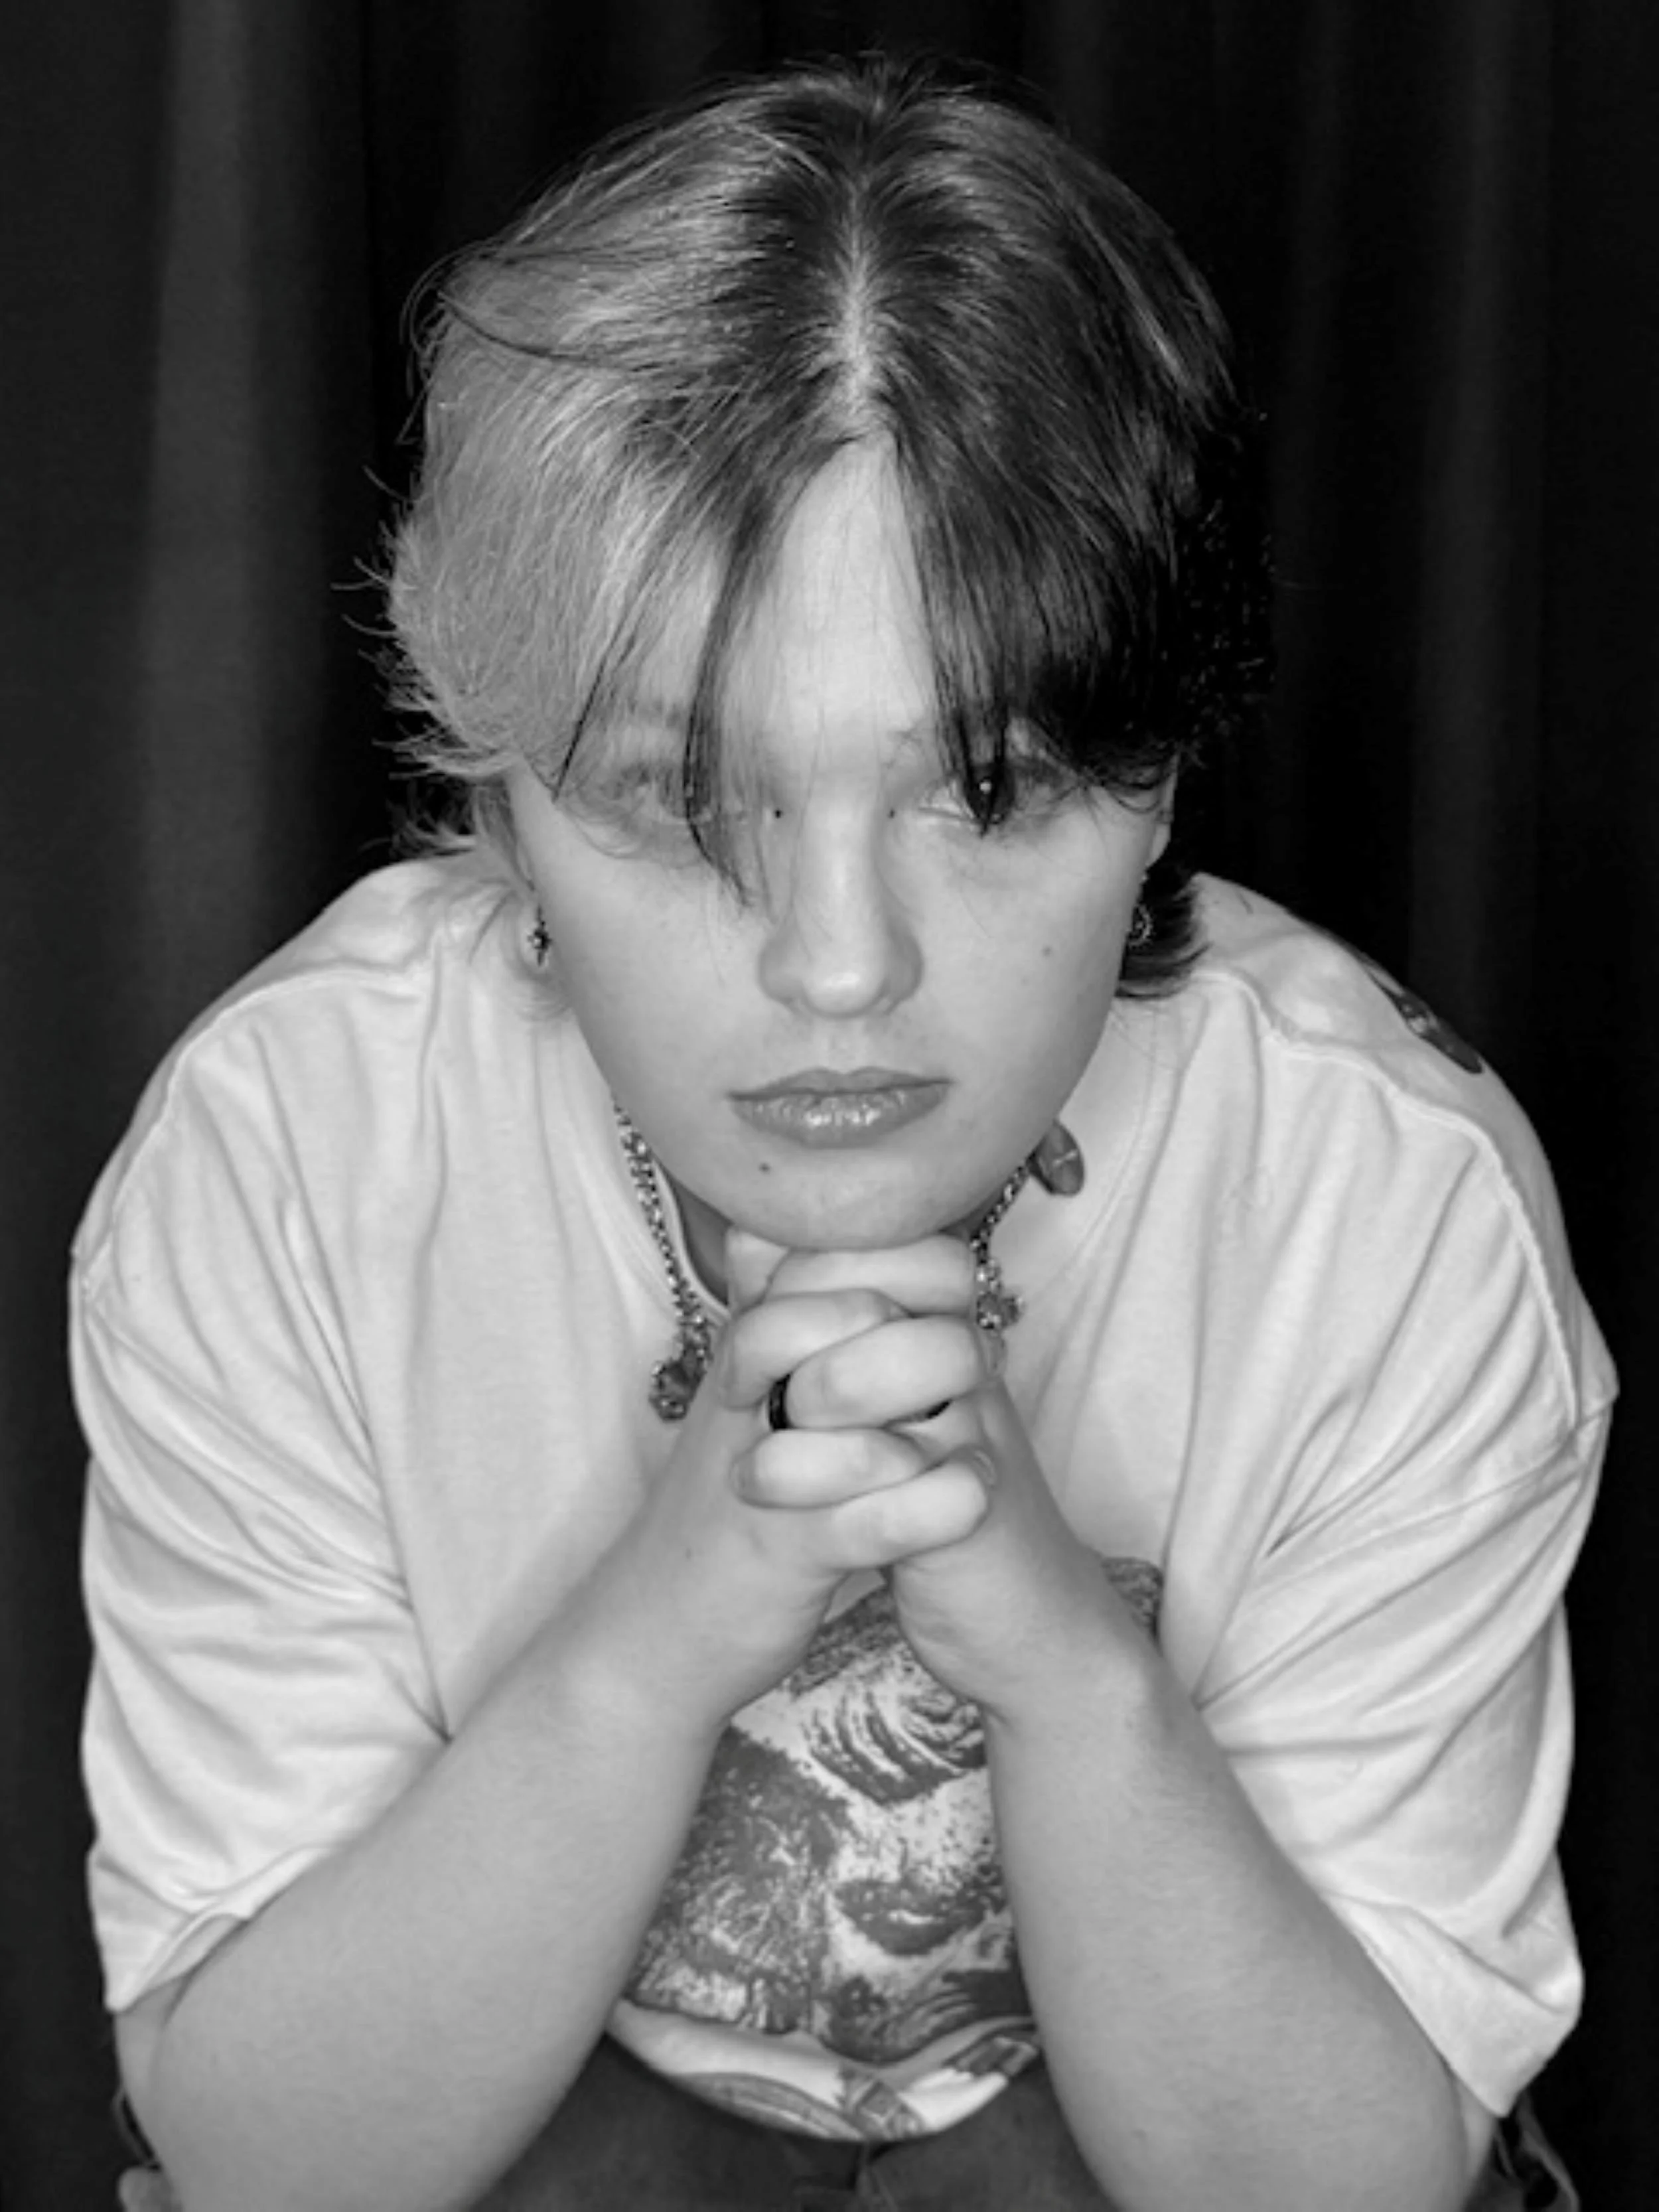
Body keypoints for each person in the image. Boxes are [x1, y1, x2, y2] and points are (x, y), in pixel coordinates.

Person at [73, 51, 1610, 2212]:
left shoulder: (1387, 1196)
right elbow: (269, 2158)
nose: (833, 968)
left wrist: (1073, 1674)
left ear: (1156, 772)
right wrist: (671, 1615)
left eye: (978, 791)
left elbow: (1342, 2180)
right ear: (492, 793)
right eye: (679, 804)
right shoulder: (290, 1151)